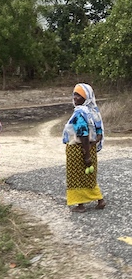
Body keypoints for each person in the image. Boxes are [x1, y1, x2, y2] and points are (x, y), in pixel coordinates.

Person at [62, 83, 106, 213]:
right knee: (89, 176)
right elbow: (99, 133)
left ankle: (80, 205)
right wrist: (92, 146)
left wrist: (86, 155)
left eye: (79, 95)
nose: (75, 98)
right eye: (74, 94)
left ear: (86, 97)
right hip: (89, 148)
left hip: (77, 150)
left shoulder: (80, 113)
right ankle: (100, 200)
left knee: (75, 177)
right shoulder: (93, 111)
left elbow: (83, 134)